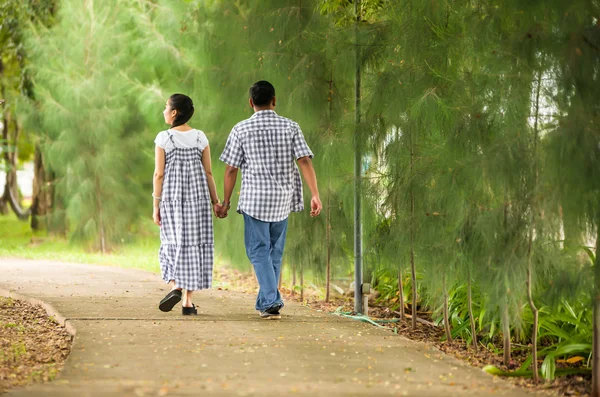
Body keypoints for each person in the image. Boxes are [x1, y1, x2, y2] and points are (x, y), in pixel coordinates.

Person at [218, 80, 322, 320]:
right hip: (282, 200)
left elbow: (231, 170)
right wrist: (314, 194)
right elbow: (304, 160)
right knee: (274, 252)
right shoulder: (290, 127)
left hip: (255, 199)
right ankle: (268, 303)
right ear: (274, 101)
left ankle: (272, 300)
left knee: (258, 251)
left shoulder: (241, 129)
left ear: (251, 103)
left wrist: (225, 201)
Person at [152, 94, 221, 315]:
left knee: (172, 241)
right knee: (193, 244)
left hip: (172, 199)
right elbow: (208, 172)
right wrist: (215, 202)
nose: (163, 111)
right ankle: (188, 302)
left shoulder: (164, 138)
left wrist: (156, 205)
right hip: (198, 199)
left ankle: (175, 286)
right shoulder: (200, 137)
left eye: (166, 107)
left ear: (174, 113)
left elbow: (159, 174)